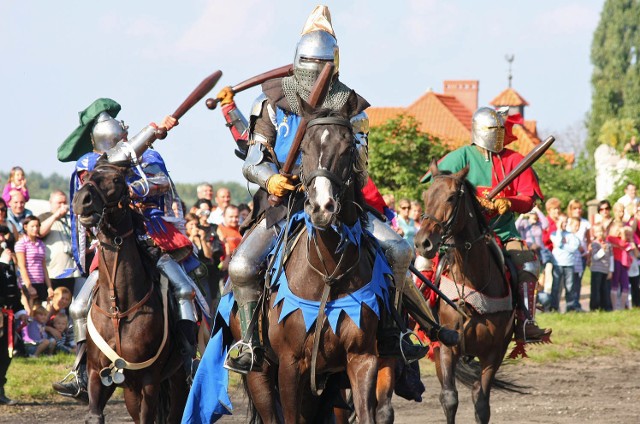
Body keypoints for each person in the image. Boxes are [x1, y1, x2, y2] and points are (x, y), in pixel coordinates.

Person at [214, 5, 456, 374]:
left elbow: (361, 172)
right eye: (309, 64)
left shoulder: (351, 108)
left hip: (339, 203)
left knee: (398, 248)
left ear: (335, 65)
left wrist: (331, 174)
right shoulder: (271, 104)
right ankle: (250, 343)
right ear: (298, 62)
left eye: (321, 64)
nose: (314, 73)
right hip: (284, 206)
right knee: (244, 265)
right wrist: (271, 178)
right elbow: (251, 161)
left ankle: (392, 331)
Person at [52, 98, 208, 399]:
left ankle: (189, 359)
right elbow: (85, 201)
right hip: (113, 239)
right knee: (78, 306)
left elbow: (161, 184)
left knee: (184, 288)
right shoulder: (91, 165)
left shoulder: (147, 157)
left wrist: (130, 186)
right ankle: (80, 370)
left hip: (150, 233)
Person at [421, 107, 552, 342]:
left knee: (528, 264)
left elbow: (528, 199)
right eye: (494, 129)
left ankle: (525, 321)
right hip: (459, 234)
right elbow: (438, 186)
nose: (499, 134)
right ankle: (416, 316)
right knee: (423, 261)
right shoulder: (460, 157)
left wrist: (507, 202)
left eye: (501, 129)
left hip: (503, 233)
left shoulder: (514, 160)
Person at [0, 225, 26, 405]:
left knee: (5, 355)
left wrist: (20, 310)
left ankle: (0, 389)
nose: (3, 240)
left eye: (4, 236)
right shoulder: (3, 263)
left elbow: (12, 289)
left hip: (7, 316)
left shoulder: (8, 263)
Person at [38, 190, 78, 294]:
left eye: (64, 202)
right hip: (53, 272)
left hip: (70, 271)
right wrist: (56, 215)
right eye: (59, 203)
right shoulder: (44, 217)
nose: (62, 205)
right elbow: (40, 232)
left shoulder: (71, 219)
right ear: (51, 202)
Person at [14, 216, 53, 308]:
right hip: (28, 283)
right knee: (30, 310)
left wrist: (49, 286)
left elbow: (43, 266)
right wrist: (29, 286)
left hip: (40, 281)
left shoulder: (41, 244)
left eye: (37, 226)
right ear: (25, 227)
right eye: (32, 226)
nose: (35, 229)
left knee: (41, 311)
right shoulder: (21, 243)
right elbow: (22, 266)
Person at [550, 214, 581, 312]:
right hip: (557, 263)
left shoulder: (571, 235)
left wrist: (563, 246)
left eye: (566, 222)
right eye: (562, 222)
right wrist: (559, 230)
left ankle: (570, 306)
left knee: (570, 287)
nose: (564, 224)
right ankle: (554, 307)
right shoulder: (554, 234)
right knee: (556, 286)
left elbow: (574, 247)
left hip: (569, 264)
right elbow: (558, 242)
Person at [589, 224, 614, 311]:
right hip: (597, 270)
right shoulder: (595, 244)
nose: (599, 233)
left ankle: (606, 306)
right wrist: (602, 250)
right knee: (596, 289)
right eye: (597, 232)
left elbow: (611, 257)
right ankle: (595, 307)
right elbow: (595, 257)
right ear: (594, 233)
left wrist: (611, 271)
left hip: (606, 270)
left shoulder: (608, 244)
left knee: (605, 289)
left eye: (601, 231)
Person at [217, 204, 242, 274]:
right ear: (224, 216)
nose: (234, 220)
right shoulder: (218, 229)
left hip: (239, 267)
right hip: (223, 267)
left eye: (236, 217)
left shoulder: (242, 230)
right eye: (231, 217)